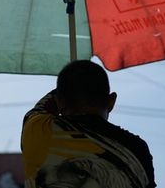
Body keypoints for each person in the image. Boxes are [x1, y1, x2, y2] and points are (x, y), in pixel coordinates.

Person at [21, 60, 156, 188]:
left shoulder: (37, 130)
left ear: (60, 102)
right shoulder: (136, 151)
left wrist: (71, 82)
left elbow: (42, 107)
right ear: (111, 101)